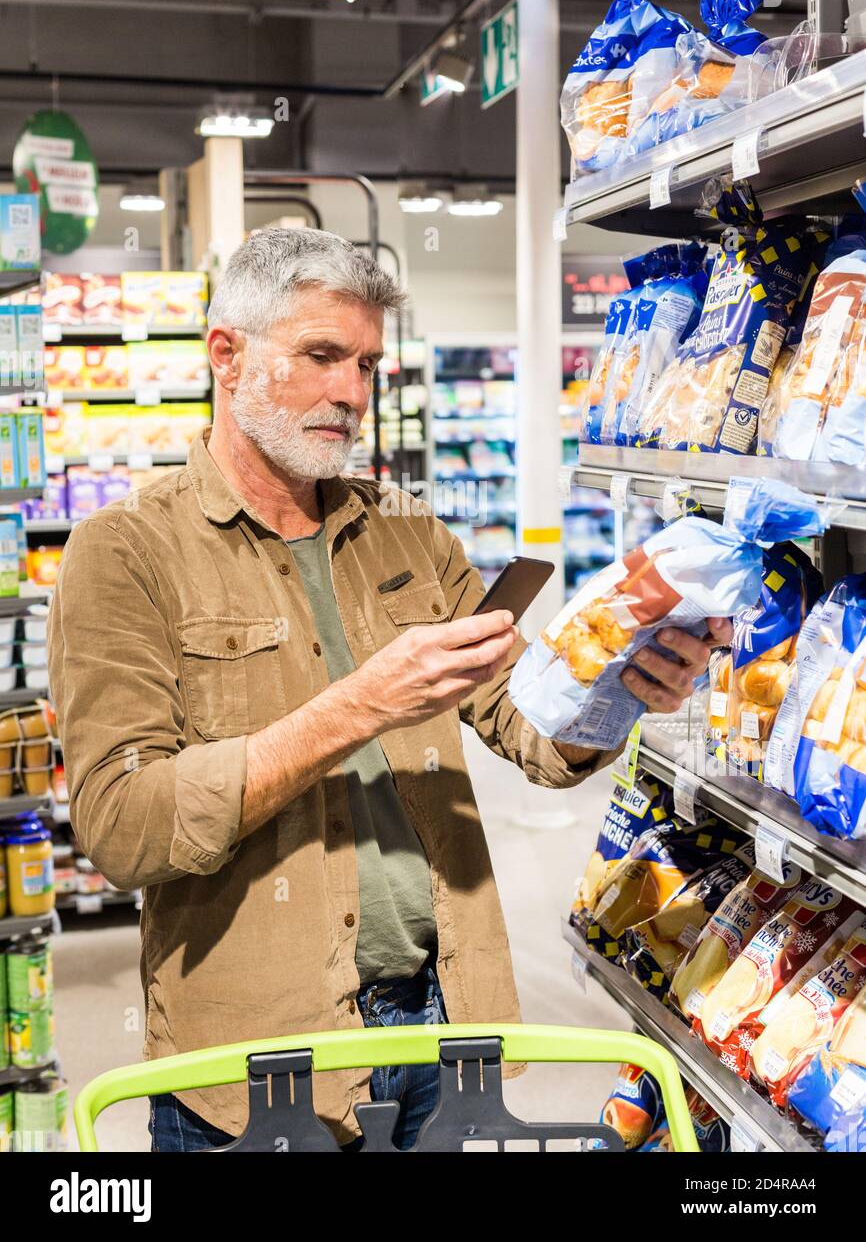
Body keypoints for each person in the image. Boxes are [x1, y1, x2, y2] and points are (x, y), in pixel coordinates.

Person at [48, 228, 728, 1151]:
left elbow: (522, 727)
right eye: (321, 356)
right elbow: (123, 827)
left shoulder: (407, 534)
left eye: (367, 364)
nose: (351, 394)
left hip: (451, 1029)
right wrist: (360, 705)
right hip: (263, 1060)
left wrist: (616, 686)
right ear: (226, 352)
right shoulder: (126, 551)